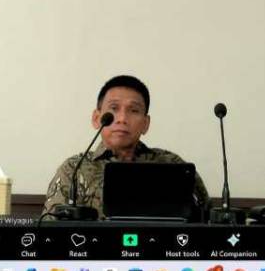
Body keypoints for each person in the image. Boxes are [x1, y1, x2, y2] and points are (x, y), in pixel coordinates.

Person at [42, 75, 209, 219]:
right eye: (114, 108)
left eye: (134, 110)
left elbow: (208, 223)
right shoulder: (73, 169)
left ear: (146, 124)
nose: (122, 118)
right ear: (96, 118)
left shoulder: (173, 165)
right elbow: (51, 229)